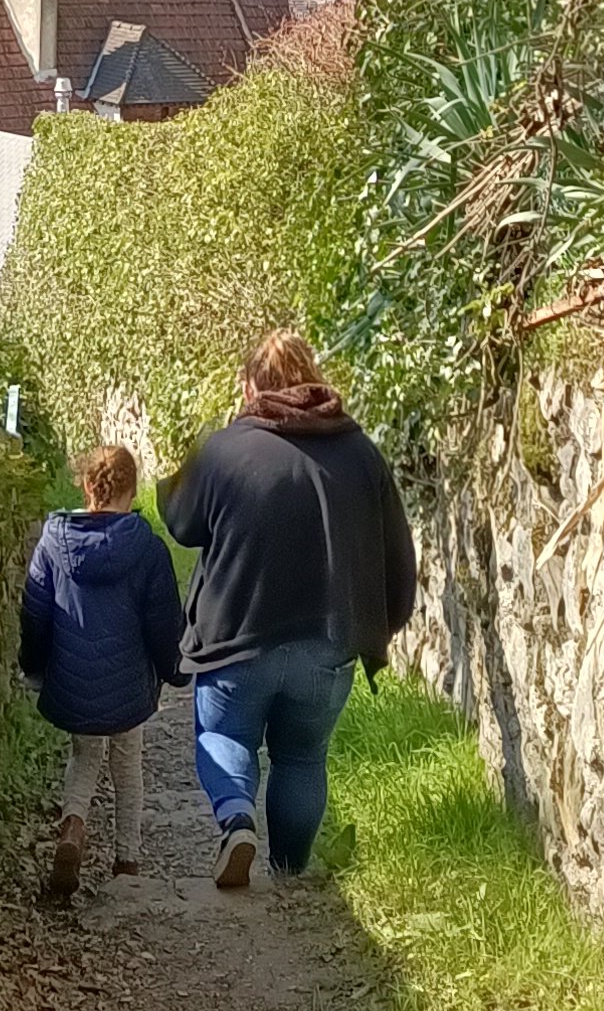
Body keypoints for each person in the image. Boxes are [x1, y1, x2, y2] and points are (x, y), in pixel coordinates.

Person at [163, 330, 416, 891]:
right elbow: (397, 554)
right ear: (313, 377)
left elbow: (180, 521)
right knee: (302, 756)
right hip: (327, 642)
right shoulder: (360, 451)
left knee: (224, 739)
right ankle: (290, 875)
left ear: (251, 385)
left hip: (236, 635)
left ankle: (236, 821)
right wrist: (382, 625)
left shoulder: (227, 448)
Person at [20, 441, 187, 899]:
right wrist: (174, 669)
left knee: (84, 757)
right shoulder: (148, 549)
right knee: (127, 766)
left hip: (74, 682)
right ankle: (126, 862)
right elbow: (163, 623)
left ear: (87, 486)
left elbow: (35, 611)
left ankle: (72, 828)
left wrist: (34, 668)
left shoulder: (54, 541)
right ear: (130, 490)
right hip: (130, 687)